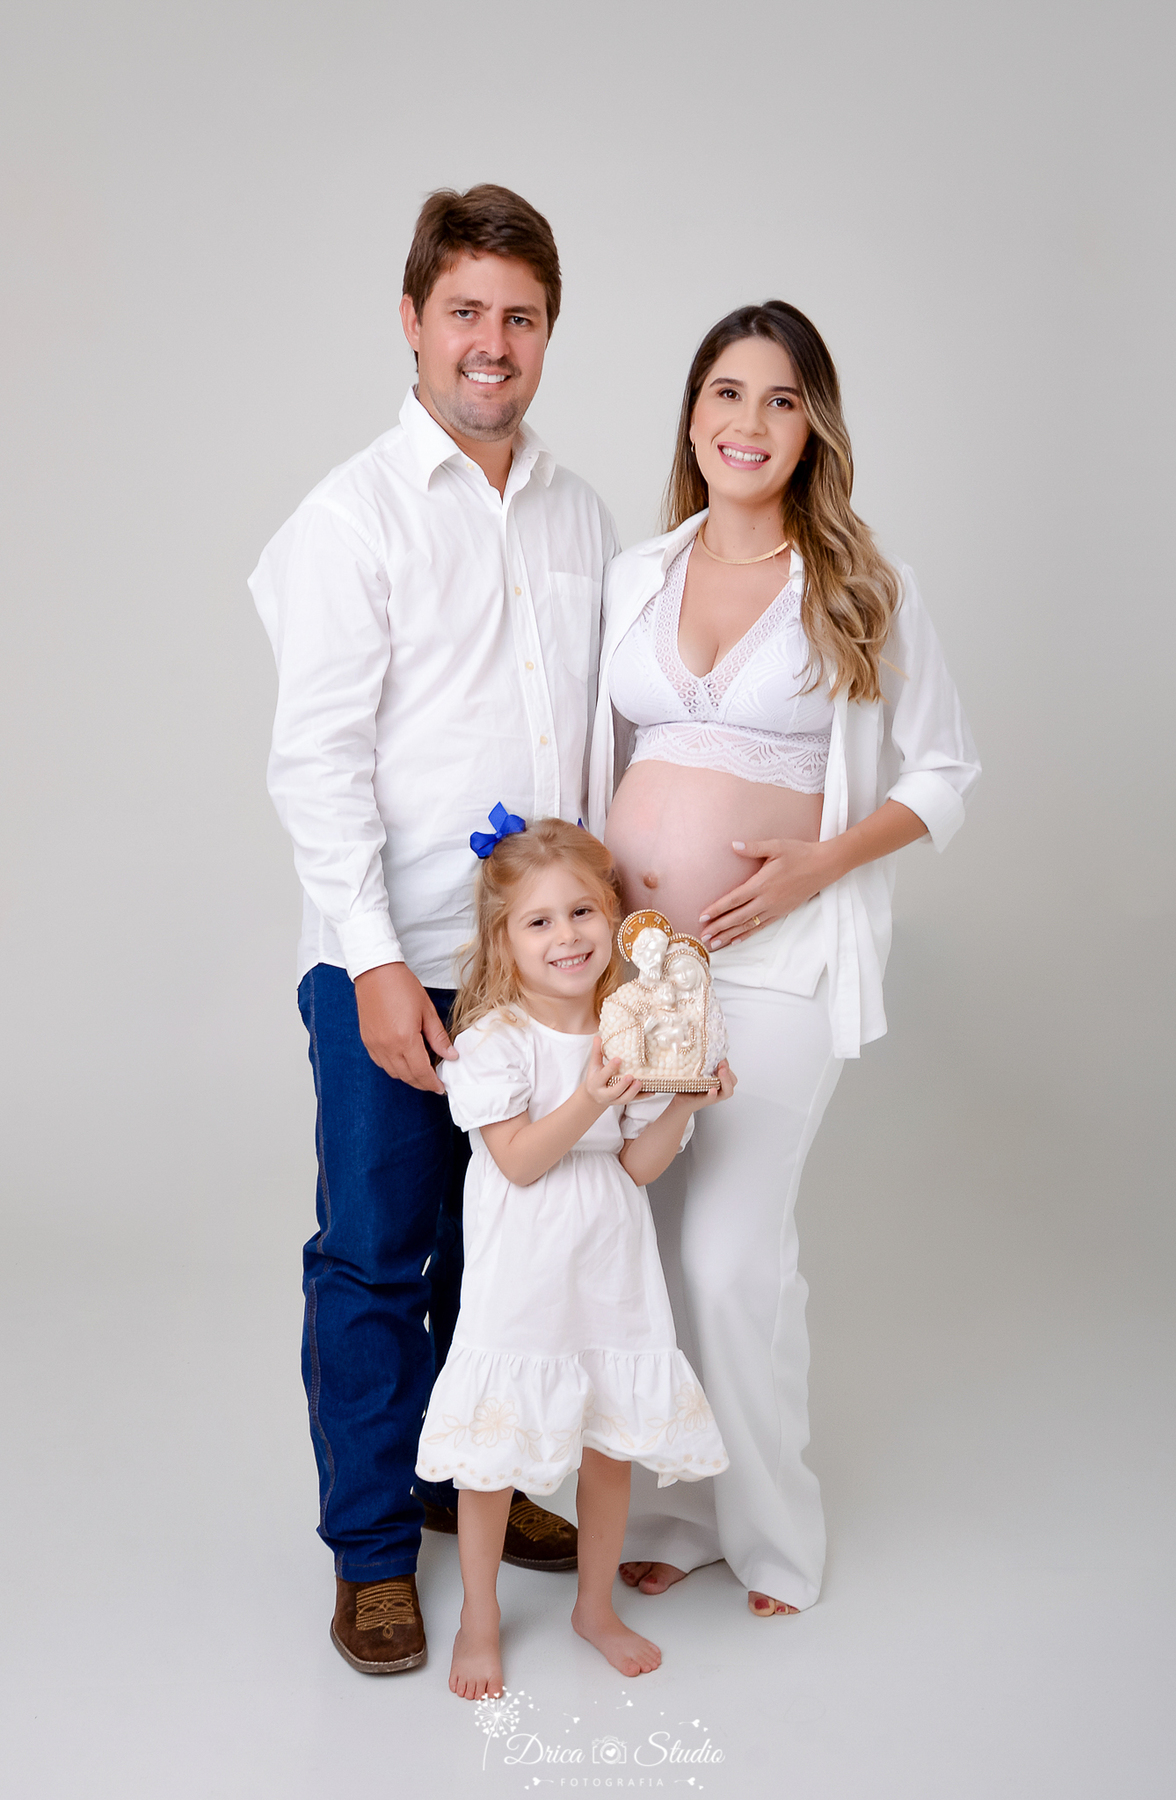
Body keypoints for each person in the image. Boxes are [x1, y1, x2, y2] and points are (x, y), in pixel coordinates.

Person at [249, 185, 619, 1674]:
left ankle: (474, 1474)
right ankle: (371, 1552)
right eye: (465, 310)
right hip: (393, 954)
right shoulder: (350, 518)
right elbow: (315, 761)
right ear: (412, 323)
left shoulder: (581, 515)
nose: (491, 342)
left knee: (504, 1243)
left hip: (541, 961)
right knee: (376, 1253)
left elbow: (594, 743)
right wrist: (376, 961)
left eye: (520, 317)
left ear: (548, 334)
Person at [588, 300, 981, 1618]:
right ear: (693, 414)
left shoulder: (862, 583)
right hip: (639, 969)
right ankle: (681, 1514)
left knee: (729, 1258)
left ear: (814, 429)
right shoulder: (636, 574)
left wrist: (824, 859)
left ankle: (774, 1535)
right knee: (649, 1248)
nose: (748, 422)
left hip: (782, 965)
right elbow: (599, 762)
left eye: (782, 399)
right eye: (727, 392)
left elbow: (946, 772)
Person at [415, 815, 733, 1699]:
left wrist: (685, 1100)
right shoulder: (495, 1040)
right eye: (540, 920)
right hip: (525, 1266)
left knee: (610, 1441)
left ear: (615, 920)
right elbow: (518, 1161)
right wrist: (590, 1096)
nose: (567, 935)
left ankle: (595, 1607)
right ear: (503, 940)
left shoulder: (626, 1030)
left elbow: (635, 1167)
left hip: (608, 1259)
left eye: (583, 912)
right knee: (493, 1454)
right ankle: (481, 1617)